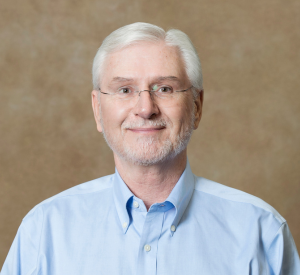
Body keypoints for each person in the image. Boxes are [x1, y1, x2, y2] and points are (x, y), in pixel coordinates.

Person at [1, 22, 299, 275]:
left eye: (165, 88)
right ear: (97, 110)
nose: (145, 108)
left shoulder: (261, 231)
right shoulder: (43, 231)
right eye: (125, 90)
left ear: (196, 106)